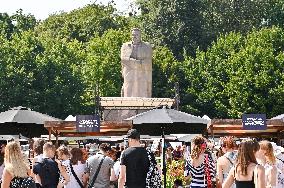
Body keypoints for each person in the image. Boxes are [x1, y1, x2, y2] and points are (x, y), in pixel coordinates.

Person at [120, 28, 153, 98]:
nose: (134, 36)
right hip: (129, 74)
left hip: (142, 75)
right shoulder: (125, 46)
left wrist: (132, 62)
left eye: (136, 35)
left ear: (140, 36)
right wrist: (138, 62)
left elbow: (148, 61)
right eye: (133, 35)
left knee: (143, 93)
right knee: (128, 93)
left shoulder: (147, 46)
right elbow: (124, 59)